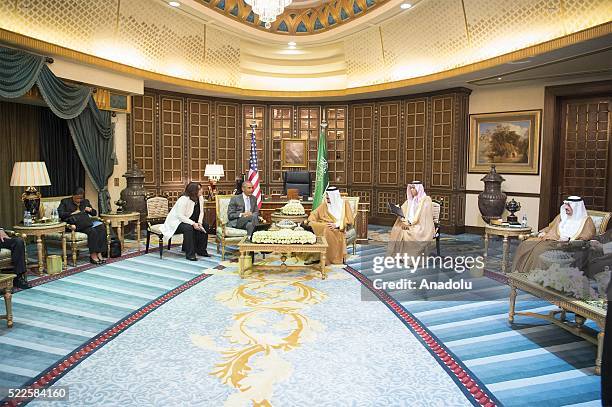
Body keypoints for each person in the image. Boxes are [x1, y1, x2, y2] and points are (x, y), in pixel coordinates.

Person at [511, 196, 596, 273]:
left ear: (576, 207)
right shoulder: (562, 216)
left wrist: (569, 240)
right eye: (565, 205)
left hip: (568, 246)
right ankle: (520, 273)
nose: (566, 207)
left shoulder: (586, 221)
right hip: (552, 240)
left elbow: (587, 236)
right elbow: (551, 227)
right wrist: (542, 232)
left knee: (539, 250)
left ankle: (535, 276)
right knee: (525, 244)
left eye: (569, 205)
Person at [58, 188, 108, 265]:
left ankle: (99, 253)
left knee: (101, 228)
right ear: (73, 196)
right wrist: (72, 213)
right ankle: (93, 255)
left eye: (81, 198)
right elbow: (61, 214)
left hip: (86, 223)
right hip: (73, 225)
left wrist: (90, 210)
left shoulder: (85, 202)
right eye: (77, 198)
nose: (79, 200)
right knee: (92, 231)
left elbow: (94, 213)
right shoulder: (65, 202)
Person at [160, 182, 209, 261]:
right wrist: (193, 223)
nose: (202, 190)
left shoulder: (200, 198)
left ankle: (201, 250)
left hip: (192, 220)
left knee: (205, 225)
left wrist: (199, 222)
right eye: (199, 189)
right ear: (194, 191)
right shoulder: (183, 199)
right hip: (177, 222)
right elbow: (180, 216)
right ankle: (190, 254)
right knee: (188, 228)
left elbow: (201, 212)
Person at [386, 181, 436, 257]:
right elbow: (404, 210)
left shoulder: (426, 200)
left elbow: (421, 216)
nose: (411, 190)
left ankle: (410, 257)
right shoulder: (411, 200)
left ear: (419, 188)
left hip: (421, 226)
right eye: (411, 188)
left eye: (413, 188)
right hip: (411, 223)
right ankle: (401, 255)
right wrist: (397, 209)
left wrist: (410, 223)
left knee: (406, 231)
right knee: (397, 228)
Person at [306, 186, 353, 265]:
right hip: (325, 225)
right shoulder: (325, 204)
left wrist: (336, 225)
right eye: (326, 198)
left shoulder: (345, 204)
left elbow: (350, 220)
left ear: (334, 197)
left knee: (327, 230)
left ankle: (325, 258)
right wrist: (311, 219)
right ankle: (318, 255)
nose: (327, 200)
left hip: (339, 229)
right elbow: (315, 213)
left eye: (328, 198)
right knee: (314, 225)